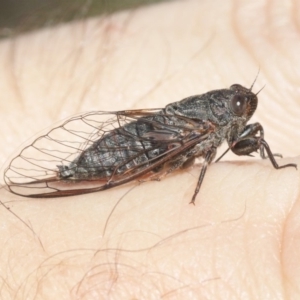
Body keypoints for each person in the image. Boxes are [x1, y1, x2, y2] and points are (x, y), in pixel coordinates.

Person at [0, 0, 299, 298]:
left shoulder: (222, 122)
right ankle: (77, 170)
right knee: (135, 165)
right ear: (227, 108)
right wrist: (196, 191)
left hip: (158, 132)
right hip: (144, 147)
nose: (244, 111)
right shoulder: (206, 128)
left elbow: (239, 141)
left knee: (257, 137)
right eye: (239, 104)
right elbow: (206, 158)